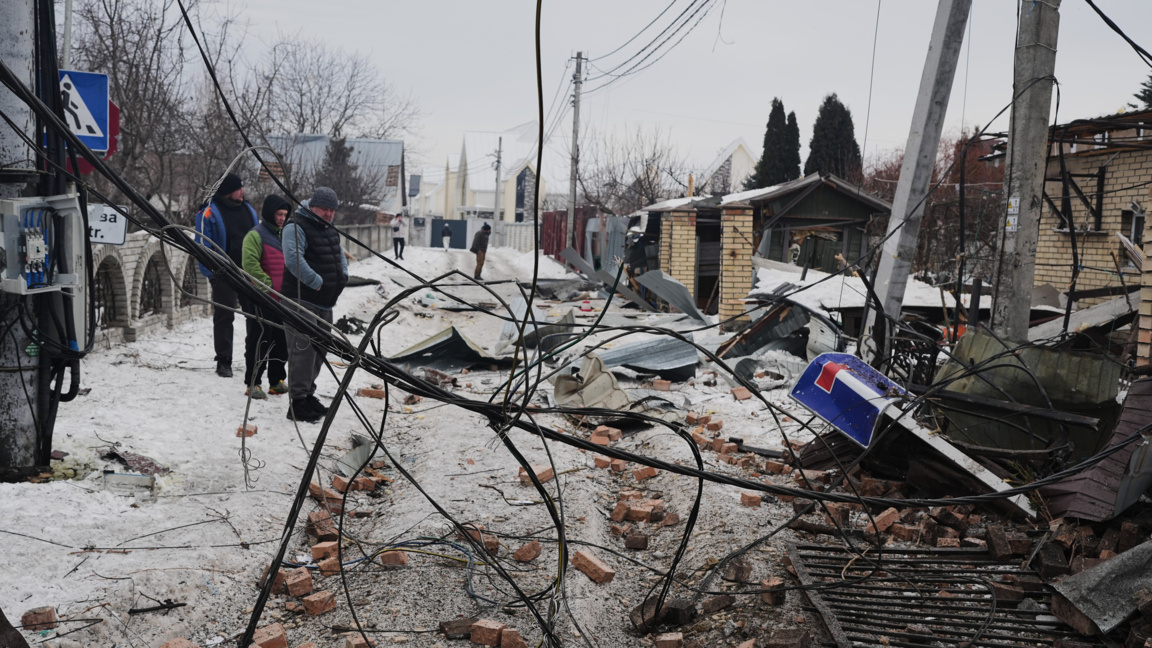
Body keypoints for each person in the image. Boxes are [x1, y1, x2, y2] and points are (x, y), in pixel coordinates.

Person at [280, 187, 348, 423]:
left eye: (332, 210)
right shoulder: (295, 226)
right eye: (324, 209)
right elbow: (293, 259)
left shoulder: (328, 228)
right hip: (301, 299)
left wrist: (343, 276)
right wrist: (317, 282)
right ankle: (297, 402)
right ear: (312, 206)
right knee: (303, 351)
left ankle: (308, 394)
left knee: (319, 350)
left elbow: (339, 255)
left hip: (325, 301)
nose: (329, 214)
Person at [194, 172, 259, 378]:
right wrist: (212, 274)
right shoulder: (208, 213)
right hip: (223, 274)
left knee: (256, 316)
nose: (243, 192)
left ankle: (255, 358)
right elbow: (202, 246)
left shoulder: (249, 210)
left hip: (248, 273)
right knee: (224, 316)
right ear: (228, 191)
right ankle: (224, 360)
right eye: (239, 188)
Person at [239, 195, 290, 399]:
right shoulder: (255, 236)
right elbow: (249, 265)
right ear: (270, 213)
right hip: (262, 299)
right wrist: (267, 285)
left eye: (285, 215)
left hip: (283, 300)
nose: (282, 218)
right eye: (279, 214)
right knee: (260, 340)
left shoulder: (285, 235)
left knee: (281, 341)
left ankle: (276, 381)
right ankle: (253, 382)